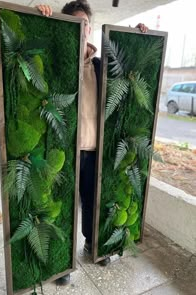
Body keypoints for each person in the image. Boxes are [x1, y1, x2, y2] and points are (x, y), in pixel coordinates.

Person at [36, 0, 148, 285]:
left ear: (90, 28)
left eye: (85, 23)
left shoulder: (102, 67)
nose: (81, 28)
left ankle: (92, 245)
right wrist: (40, 16)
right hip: (65, 153)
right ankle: (61, 262)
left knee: (92, 202)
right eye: (74, 23)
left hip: (95, 152)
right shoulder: (56, 62)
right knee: (62, 203)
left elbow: (131, 73)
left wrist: (137, 37)